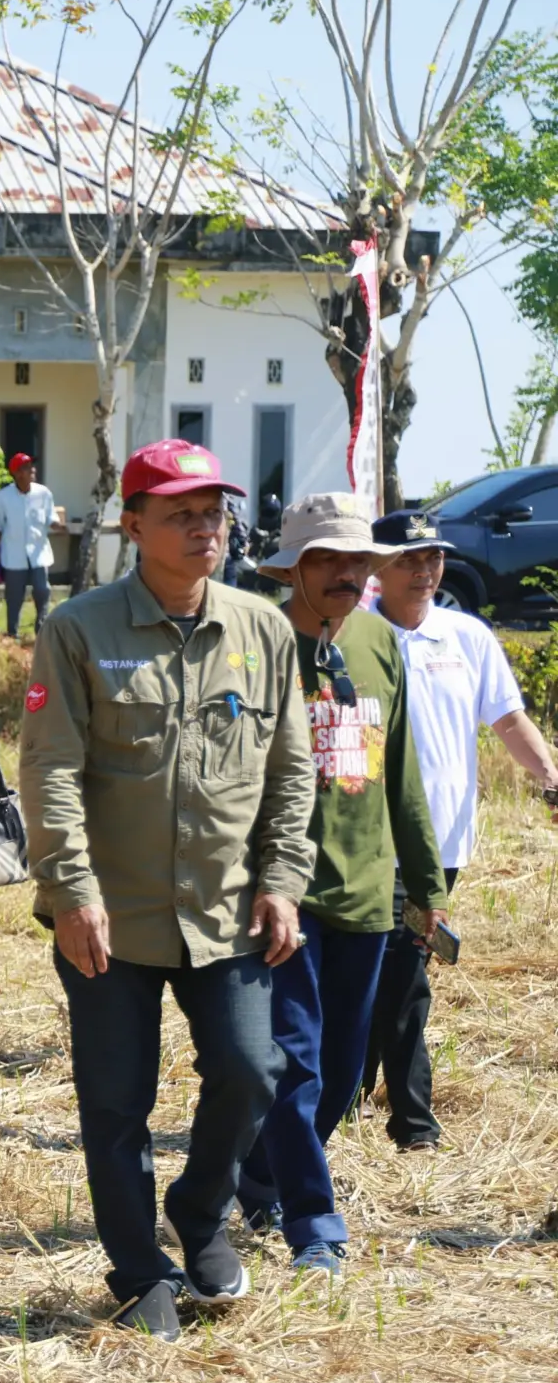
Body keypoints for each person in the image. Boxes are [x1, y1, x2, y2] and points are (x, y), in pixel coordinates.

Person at [18, 439, 312, 1340]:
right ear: (133, 524)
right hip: (111, 912)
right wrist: (72, 891)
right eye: (181, 512)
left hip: (228, 910)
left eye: (213, 511)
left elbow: (290, 770)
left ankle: (199, 1210)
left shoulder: (263, 631)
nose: (204, 527)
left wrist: (283, 880)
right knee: (116, 1100)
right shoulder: (79, 630)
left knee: (251, 1067)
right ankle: (138, 1268)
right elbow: (51, 770)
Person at [235, 494, 448, 1277]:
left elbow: (402, 772)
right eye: (326, 559)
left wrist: (425, 884)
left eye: (358, 560)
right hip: (279, 892)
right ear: (292, 566)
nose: (345, 574)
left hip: (368, 891)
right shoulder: (254, 642)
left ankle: (261, 1174)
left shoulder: (379, 644)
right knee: (295, 1062)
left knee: (342, 1073)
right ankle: (314, 1224)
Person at [360, 511, 558, 1149]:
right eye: (408, 560)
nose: (424, 571)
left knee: (388, 970)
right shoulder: (356, 640)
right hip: (369, 841)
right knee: (399, 973)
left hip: (443, 841)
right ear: (376, 568)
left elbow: (508, 722)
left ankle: (348, 1095)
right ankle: (411, 1120)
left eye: (433, 558)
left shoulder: (466, 636)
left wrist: (551, 780)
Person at [0, 453, 60, 639]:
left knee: (42, 591)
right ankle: (13, 633)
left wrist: (58, 525)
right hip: (14, 555)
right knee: (14, 596)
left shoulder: (44, 493)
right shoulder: (3, 497)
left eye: (32, 467)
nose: (33, 470)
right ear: (17, 474)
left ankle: (41, 630)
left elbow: (52, 518)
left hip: (39, 553)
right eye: (28, 467)